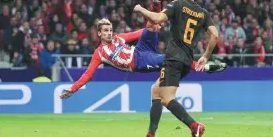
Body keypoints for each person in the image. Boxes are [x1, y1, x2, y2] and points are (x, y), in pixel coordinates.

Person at [133, 0, 218, 137]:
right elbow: (215, 35)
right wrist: (206, 56)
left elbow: (157, 19)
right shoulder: (202, 13)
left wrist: (140, 9)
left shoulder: (177, 4)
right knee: (156, 91)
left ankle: (195, 126)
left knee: (166, 98)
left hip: (173, 58)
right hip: (187, 59)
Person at [60, 18, 224, 98]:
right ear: (99, 34)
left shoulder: (119, 37)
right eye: (105, 31)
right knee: (172, 58)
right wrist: (73, 89)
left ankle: (156, 0)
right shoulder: (99, 53)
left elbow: (138, 33)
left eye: (110, 30)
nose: (109, 33)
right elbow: (88, 74)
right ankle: (205, 67)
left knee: (152, 24)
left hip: (142, 49)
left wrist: (153, 28)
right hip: (139, 62)